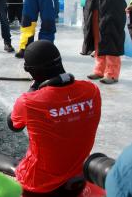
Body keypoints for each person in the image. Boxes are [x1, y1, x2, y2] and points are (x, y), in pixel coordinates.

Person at [8, 40, 101, 195]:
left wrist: (33, 89)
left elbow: (13, 125)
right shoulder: (92, 90)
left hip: (38, 184)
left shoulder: (29, 102)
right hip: (77, 177)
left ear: (30, 70)